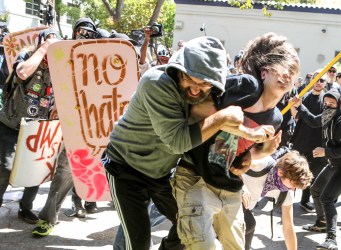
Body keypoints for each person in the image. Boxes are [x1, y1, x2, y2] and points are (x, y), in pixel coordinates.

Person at [102, 36, 247, 250]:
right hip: (125, 169)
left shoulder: (209, 93)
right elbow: (177, 142)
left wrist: (249, 150)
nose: (196, 90)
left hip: (161, 173)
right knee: (138, 243)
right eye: (190, 79)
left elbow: (221, 136)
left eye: (204, 84)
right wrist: (222, 117)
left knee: (189, 225)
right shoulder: (156, 83)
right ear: (178, 70)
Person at [173, 32, 300, 249]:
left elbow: (237, 154)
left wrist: (262, 152)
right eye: (279, 68)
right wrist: (245, 131)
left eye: (292, 71)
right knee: (202, 245)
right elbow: (197, 105)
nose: (286, 75)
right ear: (263, 73)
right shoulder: (246, 86)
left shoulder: (275, 117)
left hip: (227, 185)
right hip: (195, 176)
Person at [31, 17, 102, 236]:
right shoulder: (61, 54)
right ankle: (48, 218)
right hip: (68, 124)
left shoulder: (99, 58)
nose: (83, 36)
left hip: (94, 125)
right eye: (80, 31)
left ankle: (92, 202)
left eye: (89, 33)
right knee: (63, 171)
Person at [0, 29, 60, 223]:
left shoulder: (59, 65)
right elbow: (23, 72)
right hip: (12, 124)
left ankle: (25, 208)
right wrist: (43, 49)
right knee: (6, 169)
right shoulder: (27, 54)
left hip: (39, 129)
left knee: (35, 171)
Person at [293, 88, 341, 250]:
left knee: (327, 198)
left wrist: (326, 152)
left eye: (332, 104)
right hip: (333, 162)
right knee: (315, 190)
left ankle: (331, 239)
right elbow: (313, 121)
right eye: (325, 103)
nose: (327, 106)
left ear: (339, 104)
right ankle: (322, 222)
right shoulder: (328, 114)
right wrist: (300, 106)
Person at [243, 151, 313, 250]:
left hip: (246, 209)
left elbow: (288, 227)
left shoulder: (286, 191)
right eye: (293, 185)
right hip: (226, 199)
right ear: (280, 172)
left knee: (248, 227)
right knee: (249, 223)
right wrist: (241, 188)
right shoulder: (259, 163)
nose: (293, 189)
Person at [291, 70, 327, 213]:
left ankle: (305, 201)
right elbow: (297, 118)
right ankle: (285, 198)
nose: (318, 82)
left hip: (317, 143)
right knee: (296, 170)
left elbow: (315, 121)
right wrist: (293, 107)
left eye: (321, 80)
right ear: (311, 80)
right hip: (301, 140)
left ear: (325, 83)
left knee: (312, 173)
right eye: (316, 79)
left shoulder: (327, 100)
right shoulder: (304, 97)